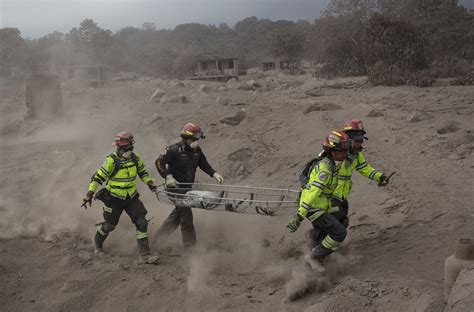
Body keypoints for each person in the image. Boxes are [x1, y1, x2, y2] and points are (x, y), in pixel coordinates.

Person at [82, 132, 159, 264]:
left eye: (130, 148)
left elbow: (142, 172)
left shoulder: (135, 158)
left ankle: (145, 255)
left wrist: (149, 183)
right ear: (119, 148)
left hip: (131, 197)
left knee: (142, 222)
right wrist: (89, 193)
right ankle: (97, 244)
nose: (129, 151)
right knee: (109, 226)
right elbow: (98, 177)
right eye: (126, 149)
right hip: (114, 199)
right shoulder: (111, 161)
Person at [287, 130, 352, 272]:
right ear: (332, 151)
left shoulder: (331, 165)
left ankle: (307, 271)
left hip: (321, 207)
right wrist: (299, 216)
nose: (345, 154)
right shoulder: (325, 169)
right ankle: (314, 258)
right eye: (342, 151)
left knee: (323, 236)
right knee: (339, 233)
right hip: (313, 208)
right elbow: (312, 193)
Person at [154, 122, 224, 249]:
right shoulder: (173, 150)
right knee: (186, 216)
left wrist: (214, 173)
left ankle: (157, 241)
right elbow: (159, 162)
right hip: (174, 189)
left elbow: (203, 164)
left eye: (197, 139)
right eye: (193, 139)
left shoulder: (197, 150)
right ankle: (190, 248)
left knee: (177, 216)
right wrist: (168, 176)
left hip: (187, 189)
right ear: (185, 138)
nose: (195, 142)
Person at [331, 119, 389, 228]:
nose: (360, 144)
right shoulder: (335, 151)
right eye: (357, 141)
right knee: (336, 222)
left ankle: (320, 239)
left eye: (361, 141)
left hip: (342, 195)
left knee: (341, 220)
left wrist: (380, 177)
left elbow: (364, 168)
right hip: (329, 195)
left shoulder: (356, 154)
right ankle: (320, 241)